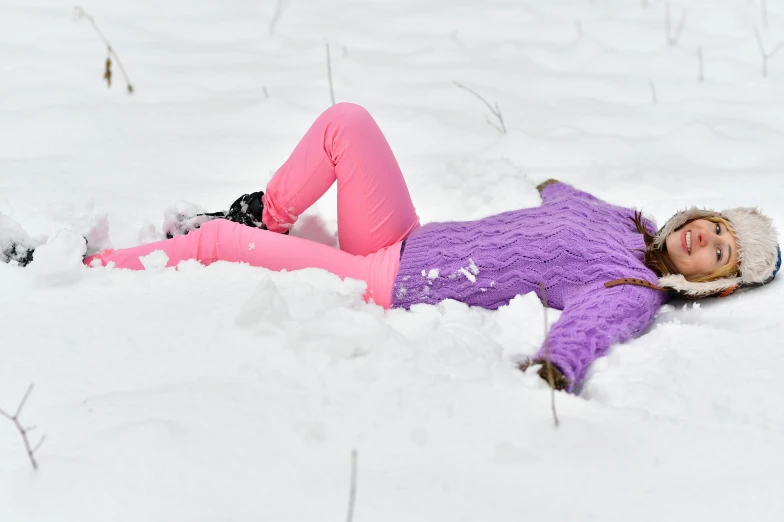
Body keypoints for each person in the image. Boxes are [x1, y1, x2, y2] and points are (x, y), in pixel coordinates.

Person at [2, 103, 780, 392]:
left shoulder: (630, 291)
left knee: (209, 244)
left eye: (719, 254)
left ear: (710, 282)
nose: (706, 238)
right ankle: (268, 215)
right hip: (410, 239)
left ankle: (70, 270)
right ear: (697, 214)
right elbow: (566, 200)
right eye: (714, 226)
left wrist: (558, 367)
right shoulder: (623, 220)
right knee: (349, 123)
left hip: (388, 282)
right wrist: (548, 185)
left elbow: (589, 331)